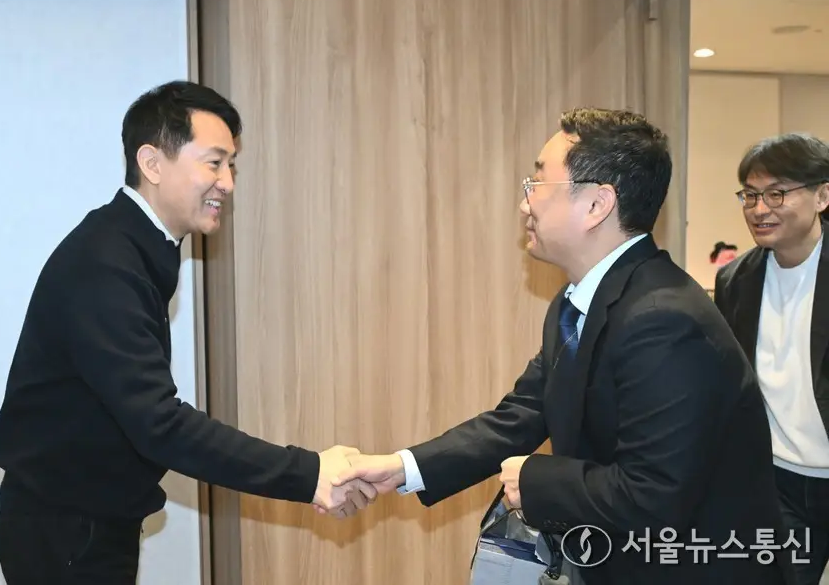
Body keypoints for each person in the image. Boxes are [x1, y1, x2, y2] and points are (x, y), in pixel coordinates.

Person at [332, 108, 792, 584]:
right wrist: (401, 468)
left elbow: (654, 494)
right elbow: (522, 414)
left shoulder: (664, 319)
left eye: (537, 183)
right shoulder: (580, 300)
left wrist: (534, 480)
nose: (524, 204)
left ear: (597, 204)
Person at [0, 80, 375, 584]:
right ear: (152, 163)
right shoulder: (106, 263)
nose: (227, 183)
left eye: (231, 166)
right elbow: (160, 423)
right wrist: (310, 473)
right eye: (213, 163)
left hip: (83, 523)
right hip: (66, 532)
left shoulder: (130, 245)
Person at [714, 133, 829, 585]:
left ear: (822, 196)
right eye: (750, 195)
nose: (760, 209)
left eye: (777, 193)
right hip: (778, 482)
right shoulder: (734, 281)